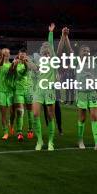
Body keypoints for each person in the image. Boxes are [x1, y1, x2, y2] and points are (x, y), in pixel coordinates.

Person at [29, 23, 59, 151]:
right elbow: (33, 67)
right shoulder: (39, 60)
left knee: (50, 116)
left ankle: (51, 142)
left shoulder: (53, 59)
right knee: (35, 114)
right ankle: (39, 141)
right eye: (43, 47)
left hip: (49, 90)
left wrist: (51, 32)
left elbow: (51, 45)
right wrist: (28, 62)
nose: (45, 48)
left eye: (47, 47)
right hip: (39, 90)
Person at [11, 48, 33, 142]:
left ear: (26, 55)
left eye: (24, 54)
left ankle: (30, 130)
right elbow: (11, 73)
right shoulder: (15, 63)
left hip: (29, 90)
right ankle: (19, 132)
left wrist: (27, 63)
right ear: (18, 55)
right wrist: (14, 65)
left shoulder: (29, 63)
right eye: (21, 55)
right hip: (18, 90)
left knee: (30, 111)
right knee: (20, 111)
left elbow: (31, 69)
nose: (22, 56)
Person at [0, 48, 15, 140]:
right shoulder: (0, 64)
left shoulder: (12, 64)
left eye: (8, 53)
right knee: (3, 114)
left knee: (12, 112)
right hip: (1, 91)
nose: (6, 55)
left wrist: (14, 66)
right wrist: (0, 58)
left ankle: (11, 125)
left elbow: (11, 73)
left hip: (10, 91)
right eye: (4, 54)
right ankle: (5, 132)